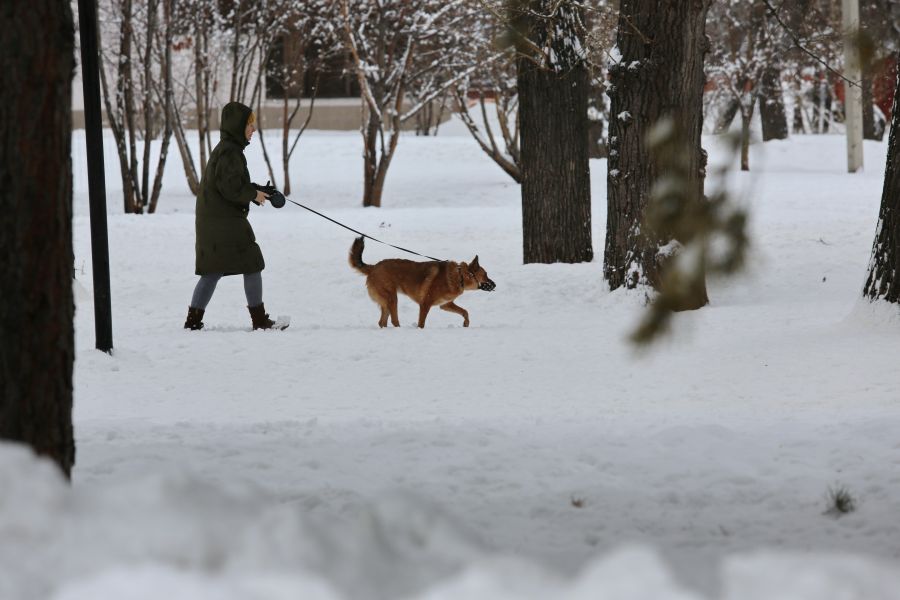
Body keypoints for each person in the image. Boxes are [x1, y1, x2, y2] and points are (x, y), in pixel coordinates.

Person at [183, 101, 286, 331]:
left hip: (215, 220)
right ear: (238, 126)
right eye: (249, 125)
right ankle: (259, 320)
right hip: (224, 221)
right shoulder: (230, 152)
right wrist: (253, 194)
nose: (253, 129)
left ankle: (193, 321)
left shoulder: (227, 149)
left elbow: (231, 183)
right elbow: (231, 188)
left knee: (213, 270)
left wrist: (257, 190)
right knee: (252, 261)